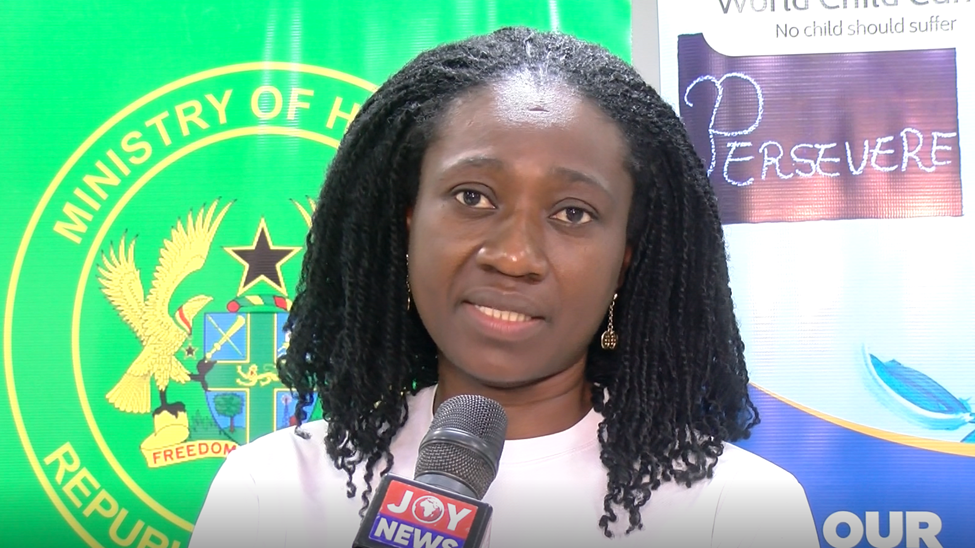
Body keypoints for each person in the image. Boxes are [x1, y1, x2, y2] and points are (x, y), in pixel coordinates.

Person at [189, 27, 819, 548]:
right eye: (473, 197)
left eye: (572, 213)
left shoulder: (737, 509)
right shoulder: (271, 489)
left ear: (626, 259)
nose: (514, 257)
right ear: (409, 222)